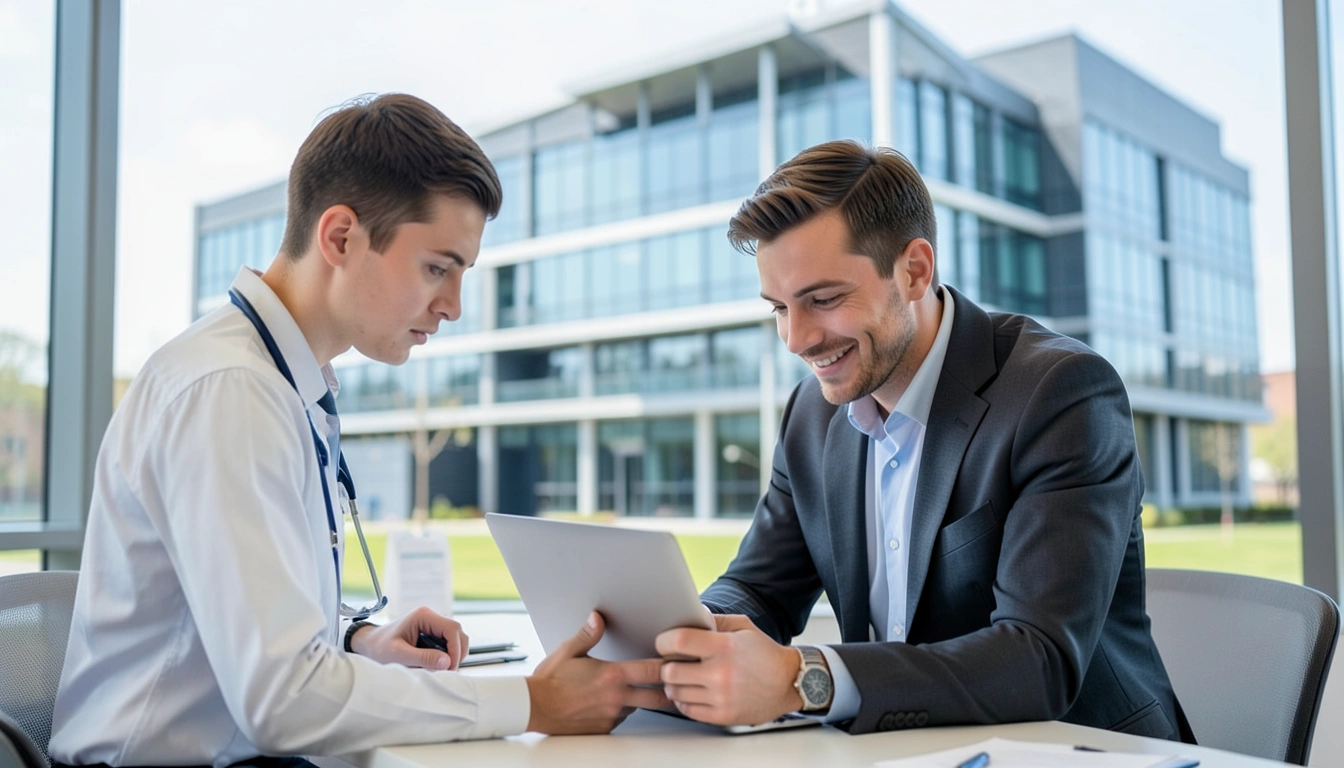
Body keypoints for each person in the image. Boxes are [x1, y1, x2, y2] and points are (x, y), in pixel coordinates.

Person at [49, 93, 667, 767]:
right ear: (341, 237)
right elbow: (284, 701)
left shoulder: (281, 381)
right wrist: (532, 702)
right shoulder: (231, 390)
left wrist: (354, 639)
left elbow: (237, 620)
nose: (453, 307)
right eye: (437, 268)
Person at [656, 140, 1193, 741]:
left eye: (823, 300)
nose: (796, 339)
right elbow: (759, 588)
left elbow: (1037, 658)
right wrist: (682, 640)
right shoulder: (812, 413)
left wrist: (803, 679)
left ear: (914, 270)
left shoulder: (1060, 394)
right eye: (779, 308)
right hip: (902, 749)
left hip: (1080, 750)